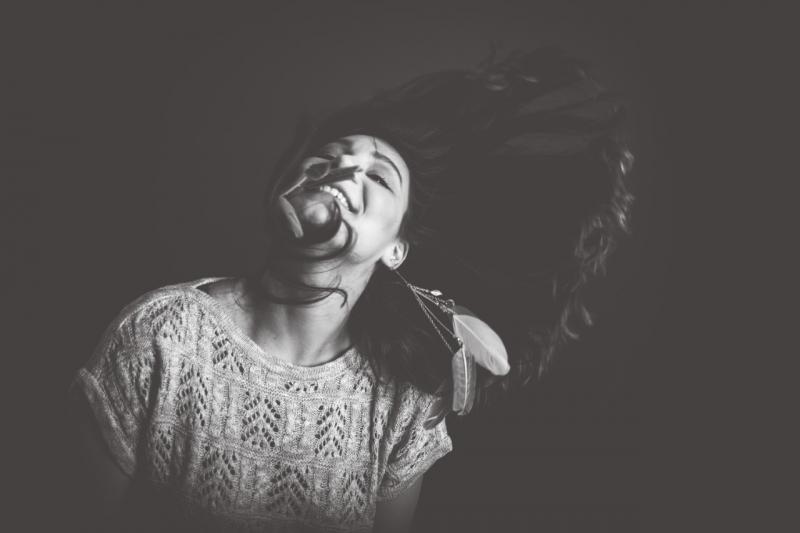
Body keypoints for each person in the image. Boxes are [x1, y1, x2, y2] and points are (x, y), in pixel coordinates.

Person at [69, 46, 634, 532]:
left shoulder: (402, 404)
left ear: (397, 249)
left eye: (378, 175)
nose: (342, 170)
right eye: (329, 157)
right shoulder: (161, 334)